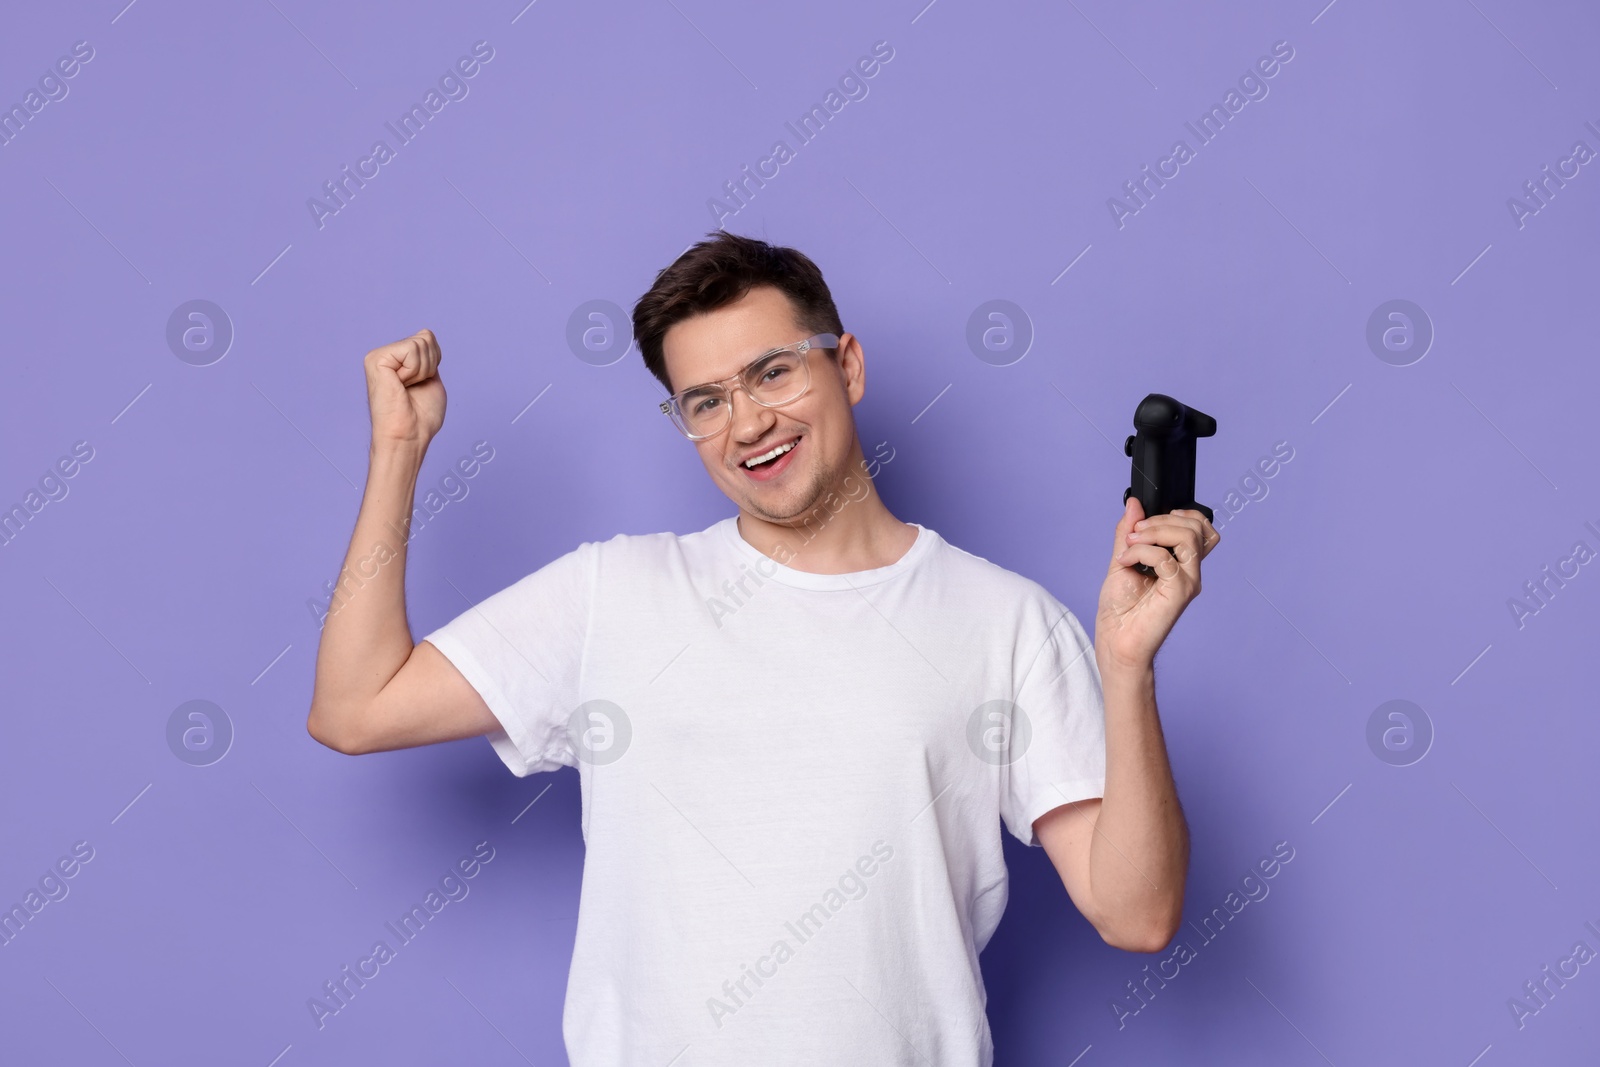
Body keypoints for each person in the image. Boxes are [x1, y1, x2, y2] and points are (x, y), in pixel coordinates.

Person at [306, 231, 1219, 1065]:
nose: (747, 423)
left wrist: (1127, 668)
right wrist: (399, 449)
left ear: (847, 365)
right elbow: (356, 707)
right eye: (705, 401)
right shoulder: (615, 594)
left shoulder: (1003, 620)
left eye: (773, 372)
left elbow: (1136, 912)